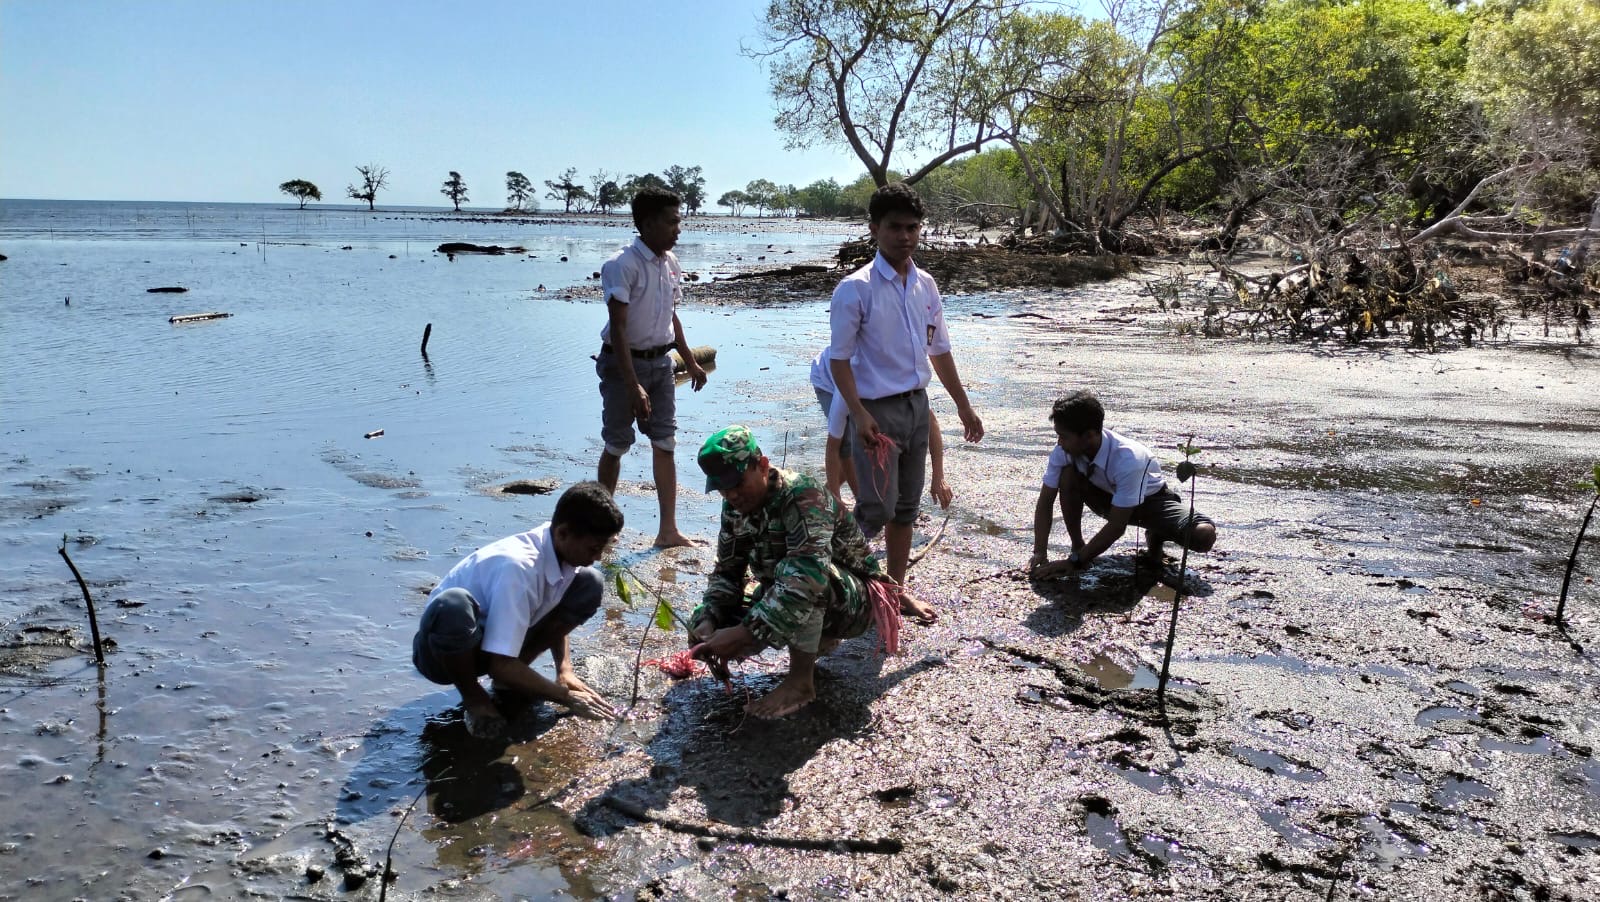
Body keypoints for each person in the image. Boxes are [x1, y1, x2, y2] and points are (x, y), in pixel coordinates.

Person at [827, 183, 982, 623]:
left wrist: (963, 406)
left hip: (916, 406)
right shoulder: (854, 289)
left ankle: (893, 593)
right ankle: (825, 578)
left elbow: (940, 351)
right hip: (877, 411)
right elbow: (839, 361)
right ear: (874, 229)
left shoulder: (925, 285)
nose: (905, 236)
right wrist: (857, 414)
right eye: (895, 227)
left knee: (906, 509)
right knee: (874, 509)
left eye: (913, 227)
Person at [687, 426, 899, 719]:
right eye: (722, 487)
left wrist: (745, 632)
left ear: (762, 465)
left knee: (801, 578)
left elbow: (808, 579)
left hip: (855, 601)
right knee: (722, 610)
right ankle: (816, 638)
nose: (731, 494)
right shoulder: (734, 507)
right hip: (797, 590)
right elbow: (727, 572)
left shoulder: (803, 495)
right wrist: (708, 619)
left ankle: (801, 682)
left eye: (737, 482)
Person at [412, 481, 622, 739]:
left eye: (603, 548)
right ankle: (474, 696)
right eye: (594, 548)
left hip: (492, 647)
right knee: (454, 605)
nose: (599, 556)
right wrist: (566, 698)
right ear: (563, 533)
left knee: (590, 582)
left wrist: (564, 670)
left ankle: (514, 675)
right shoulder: (519, 568)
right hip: (443, 654)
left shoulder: (562, 550)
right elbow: (499, 664)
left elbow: (555, 601)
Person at [595, 186, 708, 548]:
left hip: (660, 365)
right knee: (617, 444)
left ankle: (668, 531)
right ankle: (601, 525)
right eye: (672, 221)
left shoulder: (670, 263)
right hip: (620, 365)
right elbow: (619, 328)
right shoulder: (621, 265)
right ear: (647, 223)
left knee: (665, 442)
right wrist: (632, 385)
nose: (679, 229)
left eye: (679, 221)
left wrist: (690, 362)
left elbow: (672, 318)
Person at [1029, 390, 1217, 577]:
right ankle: (1078, 545)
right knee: (1068, 475)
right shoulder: (1064, 451)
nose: (1059, 443)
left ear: (1089, 435)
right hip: (1105, 498)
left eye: (1064, 436)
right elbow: (1046, 500)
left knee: (1203, 535)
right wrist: (1040, 552)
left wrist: (1075, 563)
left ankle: (1157, 534)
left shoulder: (1128, 458)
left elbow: (1117, 526)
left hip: (1150, 503)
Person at [810, 348, 954, 513]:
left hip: (870, 376)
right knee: (849, 443)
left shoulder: (901, 380)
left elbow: (930, 423)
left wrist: (938, 477)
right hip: (827, 380)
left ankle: (826, 492)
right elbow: (835, 445)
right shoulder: (851, 388)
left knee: (877, 440)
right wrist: (838, 503)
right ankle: (852, 502)